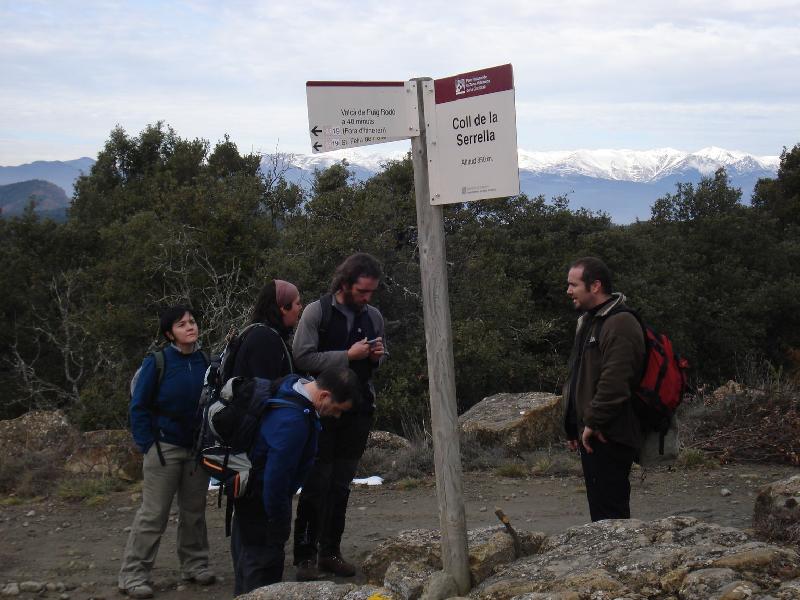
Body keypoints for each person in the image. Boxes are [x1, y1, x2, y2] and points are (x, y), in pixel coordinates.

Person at [292, 252, 387, 580]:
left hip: (358, 412)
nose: (366, 297)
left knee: (341, 485)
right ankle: (304, 557)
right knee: (315, 483)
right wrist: (347, 355)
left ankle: (329, 552)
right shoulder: (317, 312)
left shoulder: (373, 315)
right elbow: (302, 357)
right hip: (321, 411)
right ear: (345, 284)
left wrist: (375, 356)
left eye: (371, 292)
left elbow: (376, 363)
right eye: (362, 291)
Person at [231, 367, 362, 595]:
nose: (337, 415)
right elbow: (276, 479)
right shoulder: (293, 421)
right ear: (324, 396)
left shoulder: (290, 385)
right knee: (261, 577)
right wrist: (279, 522)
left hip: (247, 498)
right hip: (261, 506)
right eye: (337, 409)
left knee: (246, 566)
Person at [119, 306, 214, 599]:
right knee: (153, 514)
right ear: (169, 332)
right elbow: (139, 406)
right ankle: (133, 575)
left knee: (194, 511)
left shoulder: (205, 361)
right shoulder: (157, 362)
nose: (190, 327)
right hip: (164, 449)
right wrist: (148, 444)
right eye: (181, 324)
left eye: (192, 322)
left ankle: (195, 565)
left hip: (196, 449)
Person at [563, 257, 646, 522]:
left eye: (573, 284)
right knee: (600, 513)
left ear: (595, 285)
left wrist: (593, 422)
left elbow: (615, 382)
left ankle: (618, 562)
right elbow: (580, 376)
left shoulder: (620, 322)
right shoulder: (589, 321)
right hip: (592, 433)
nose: (568, 291)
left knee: (611, 516)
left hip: (610, 433)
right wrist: (572, 425)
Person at [232, 279, 302, 380]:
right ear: (284, 308)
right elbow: (265, 390)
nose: (301, 307)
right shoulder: (265, 339)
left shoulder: (263, 333)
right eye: (297, 303)